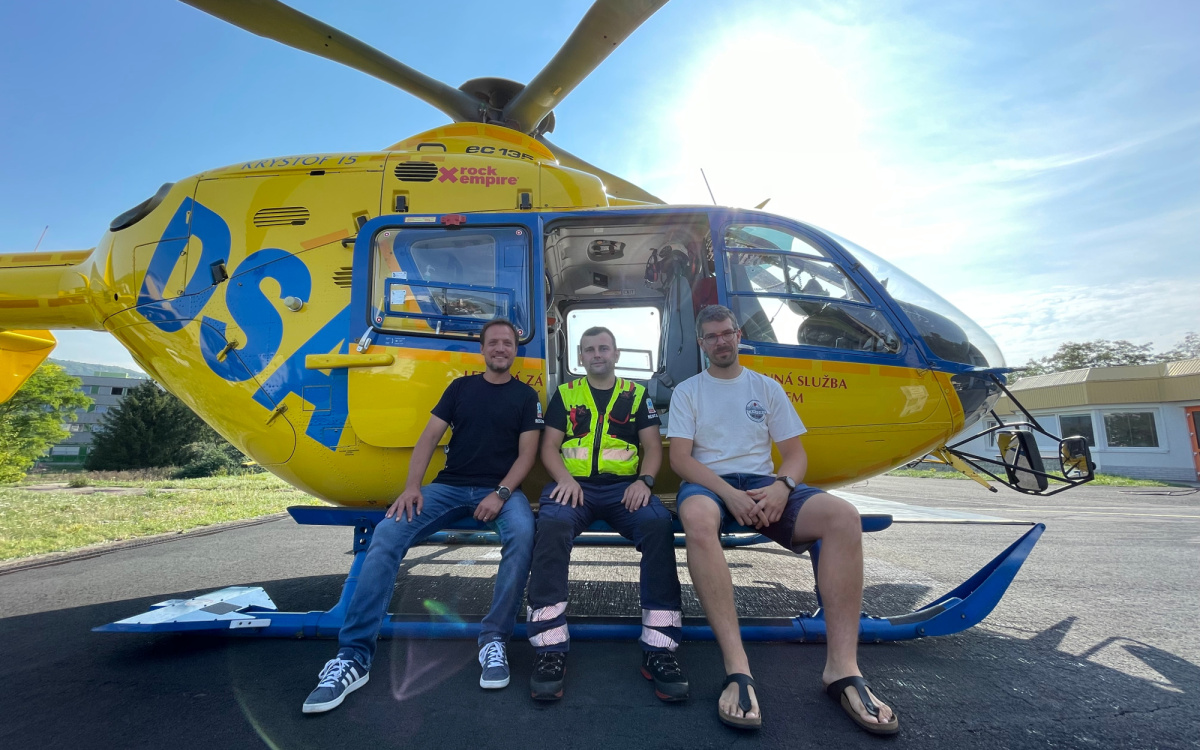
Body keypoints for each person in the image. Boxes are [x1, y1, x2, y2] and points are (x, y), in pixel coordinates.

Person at [667, 305, 898, 735]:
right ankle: (738, 668)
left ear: (738, 335)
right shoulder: (688, 391)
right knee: (697, 517)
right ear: (701, 344)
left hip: (763, 483)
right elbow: (681, 459)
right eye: (711, 336)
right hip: (710, 484)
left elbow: (794, 454)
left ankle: (842, 670)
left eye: (726, 333)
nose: (720, 342)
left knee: (843, 517)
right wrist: (729, 494)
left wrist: (782, 487)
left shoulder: (766, 387)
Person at [303, 318, 541, 714]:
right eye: (494, 342)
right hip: (449, 486)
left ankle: (494, 640)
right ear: (482, 349)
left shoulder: (526, 396)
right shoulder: (460, 388)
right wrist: (412, 487)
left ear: (516, 351)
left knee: (523, 532)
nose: (501, 348)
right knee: (387, 534)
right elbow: (429, 437)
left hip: (501, 489)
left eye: (508, 343)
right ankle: (353, 657)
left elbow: (527, 455)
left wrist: (500, 494)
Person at [525, 326, 688, 702]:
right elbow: (549, 447)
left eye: (603, 348)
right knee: (551, 526)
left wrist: (645, 482)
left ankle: (659, 647)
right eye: (589, 349)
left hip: (623, 489)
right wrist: (564, 479)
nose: (596, 354)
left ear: (616, 354)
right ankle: (550, 647)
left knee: (657, 524)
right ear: (580, 357)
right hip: (574, 487)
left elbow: (652, 446)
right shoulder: (566, 393)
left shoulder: (636, 394)